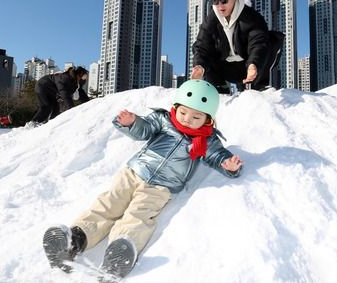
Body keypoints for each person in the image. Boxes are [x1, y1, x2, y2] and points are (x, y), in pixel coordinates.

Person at [42, 79, 243, 280]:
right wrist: (132, 123)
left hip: (161, 187)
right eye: (183, 113)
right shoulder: (164, 120)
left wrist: (228, 164)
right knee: (109, 204)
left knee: (139, 214)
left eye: (196, 116)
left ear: (208, 119)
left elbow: (216, 155)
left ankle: (119, 252)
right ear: (175, 108)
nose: (187, 120)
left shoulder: (206, 139)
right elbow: (145, 129)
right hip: (133, 173)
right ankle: (74, 240)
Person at [191, 0, 270, 94]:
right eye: (215, 1)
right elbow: (202, 45)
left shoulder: (252, 17)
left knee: (271, 40)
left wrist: (254, 64)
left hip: (248, 68)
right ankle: (219, 86)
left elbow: (258, 42)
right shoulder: (211, 20)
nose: (220, 5)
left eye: (224, 0)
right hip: (225, 68)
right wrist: (199, 66)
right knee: (198, 46)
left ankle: (257, 85)